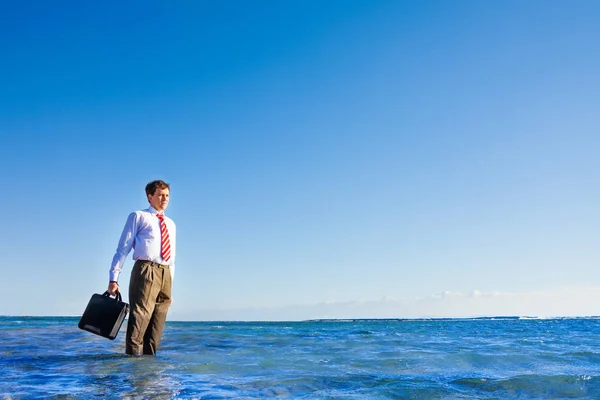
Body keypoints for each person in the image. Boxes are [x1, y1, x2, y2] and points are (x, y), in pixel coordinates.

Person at [107, 180, 176, 356]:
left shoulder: (171, 224)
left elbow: (172, 258)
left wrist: (170, 287)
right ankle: (134, 369)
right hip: (146, 270)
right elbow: (122, 249)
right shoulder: (138, 216)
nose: (164, 198)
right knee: (140, 319)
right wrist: (113, 279)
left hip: (165, 273)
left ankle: (149, 372)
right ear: (149, 196)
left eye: (167, 195)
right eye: (160, 195)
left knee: (156, 326)